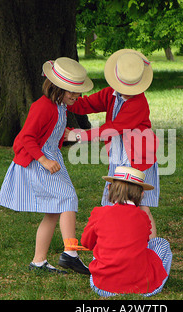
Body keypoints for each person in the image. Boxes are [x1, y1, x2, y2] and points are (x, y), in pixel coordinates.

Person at [0, 57, 93, 274]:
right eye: (72, 92)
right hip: (37, 161)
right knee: (68, 197)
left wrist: (67, 136)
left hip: (51, 158)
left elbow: (52, 133)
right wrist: (44, 160)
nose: (76, 96)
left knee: (53, 210)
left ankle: (38, 262)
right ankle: (70, 253)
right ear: (57, 87)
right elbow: (25, 138)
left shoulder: (61, 106)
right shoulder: (42, 107)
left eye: (78, 92)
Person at [67, 49, 159, 238]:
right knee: (114, 201)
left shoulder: (138, 103)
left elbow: (112, 128)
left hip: (139, 159)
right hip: (119, 155)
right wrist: (67, 98)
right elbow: (87, 105)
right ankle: (115, 243)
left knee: (141, 206)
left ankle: (149, 249)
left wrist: (77, 136)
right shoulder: (111, 93)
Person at [81, 166, 172, 297]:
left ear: (109, 188)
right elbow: (145, 243)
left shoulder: (99, 213)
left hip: (101, 286)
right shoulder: (143, 217)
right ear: (142, 194)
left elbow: (86, 243)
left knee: (99, 247)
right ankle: (156, 278)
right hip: (143, 289)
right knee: (161, 243)